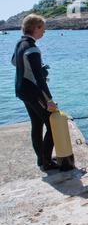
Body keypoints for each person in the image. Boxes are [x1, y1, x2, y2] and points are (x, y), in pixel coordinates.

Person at [11, 14, 59, 171]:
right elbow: (39, 79)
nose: (44, 32)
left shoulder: (20, 43)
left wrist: (30, 69)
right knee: (52, 126)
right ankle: (46, 162)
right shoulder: (32, 48)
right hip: (33, 91)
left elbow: (13, 62)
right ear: (36, 28)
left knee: (37, 124)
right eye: (43, 29)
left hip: (21, 89)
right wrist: (49, 100)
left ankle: (41, 160)